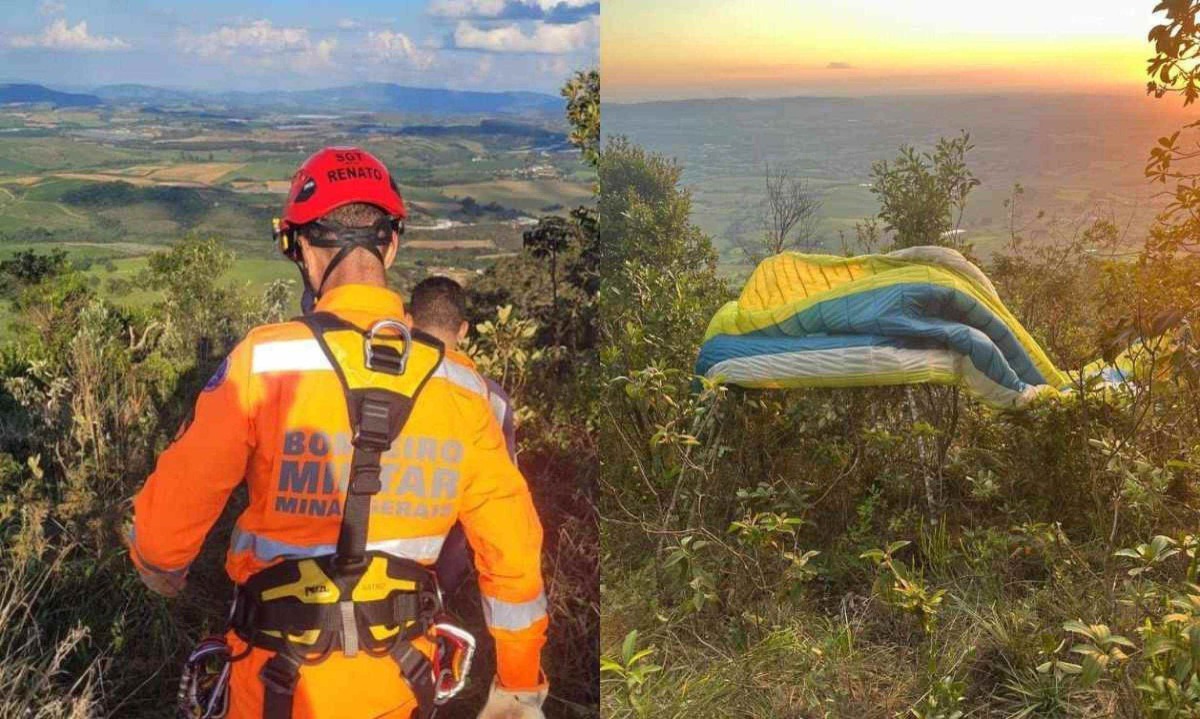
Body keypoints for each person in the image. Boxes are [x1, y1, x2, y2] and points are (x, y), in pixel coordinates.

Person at [127, 147, 549, 719]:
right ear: (392, 244)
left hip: (273, 685)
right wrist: (518, 685)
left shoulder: (265, 363)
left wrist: (163, 571)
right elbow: (514, 554)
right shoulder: (463, 387)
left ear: (300, 247)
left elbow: (160, 538)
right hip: (403, 684)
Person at [407, 276, 516, 596]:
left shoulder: (381, 382)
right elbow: (500, 501)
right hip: (449, 571)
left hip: (374, 564)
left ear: (408, 321)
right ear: (464, 330)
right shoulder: (489, 397)